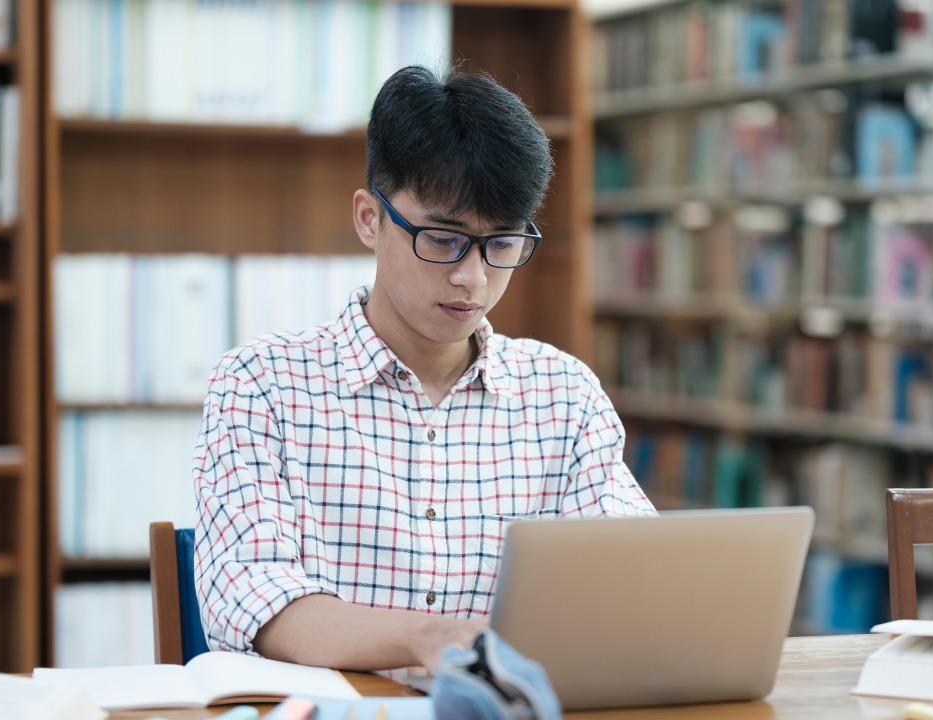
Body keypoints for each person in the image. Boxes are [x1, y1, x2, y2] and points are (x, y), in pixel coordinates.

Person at [192, 65, 655, 673]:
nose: (474, 277)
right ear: (368, 218)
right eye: (443, 238)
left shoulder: (563, 396)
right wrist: (427, 640)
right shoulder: (261, 386)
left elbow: (630, 578)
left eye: (503, 243)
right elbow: (257, 605)